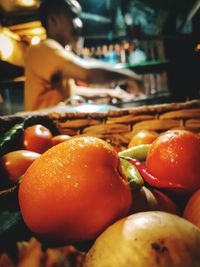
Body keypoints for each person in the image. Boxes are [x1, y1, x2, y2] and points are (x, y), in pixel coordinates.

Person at [24, 0, 142, 111]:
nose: (79, 24)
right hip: (42, 130)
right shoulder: (42, 48)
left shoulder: (58, 53)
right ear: (53, 20)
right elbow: (87, 72)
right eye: (73, 16)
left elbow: (73, 91)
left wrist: (110, 92)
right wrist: (130, 76)